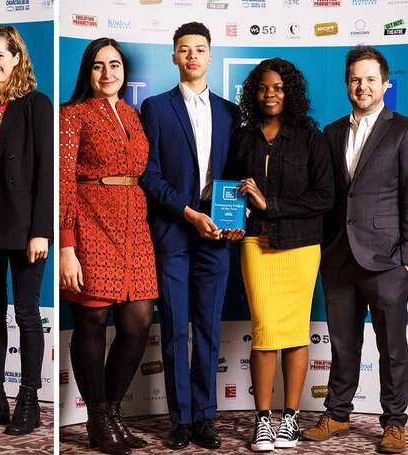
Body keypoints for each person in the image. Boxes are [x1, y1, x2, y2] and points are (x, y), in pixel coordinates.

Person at [301, 45, 408, 454]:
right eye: (354, 79)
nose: (361, 86)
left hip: (388, 260)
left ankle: (395, 423)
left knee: (393, 348)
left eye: (369, 79)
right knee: (343, 343)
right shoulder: (330, 133)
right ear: (347, 84)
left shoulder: (402, 130)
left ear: (385, 83)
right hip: (339, 258)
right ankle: (338, 414)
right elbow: (326, 197)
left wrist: (406, 257)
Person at [140, 22, 240, 450]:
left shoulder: (231, 112)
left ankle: (205, 417)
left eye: (200, 49)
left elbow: (236, 177)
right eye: (185, 49)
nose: (193, 56)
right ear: (175, 56)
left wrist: (234, 219)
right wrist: (186, 212)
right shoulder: (156, 108)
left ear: (210, 56)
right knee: (176, 329)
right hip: (174, 234)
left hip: (216, 237)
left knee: (208, 330)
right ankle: (179, 419)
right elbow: (149, 173)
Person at [225, 58, 334, 451]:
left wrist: (269, 203)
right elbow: (232, 192)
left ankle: (290, 418)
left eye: (278, 88)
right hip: (256, 243)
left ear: (291, 92)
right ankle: (263, 421)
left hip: (302, 247)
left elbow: (324, 197)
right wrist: (233, 216)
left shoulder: (311, 138)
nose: (270, 94)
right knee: (267, 331)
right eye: (263, 88)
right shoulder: (245, 137)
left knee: (294, 332)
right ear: (254, 93)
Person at [60, 37, 158, 455]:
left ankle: (113, 410)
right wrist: (67, 246)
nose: (107, 73)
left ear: (123, 71)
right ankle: (98, 417)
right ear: (88, 71)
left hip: (135, 225)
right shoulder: (72, 114)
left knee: (137, 322)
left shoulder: (134, 116)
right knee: (93, 321)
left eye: (114, 65)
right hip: (90, 220)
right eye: (98, 66)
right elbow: (64, 183)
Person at [0, 25, 52, 435]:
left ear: (17, 58)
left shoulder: (36, 104)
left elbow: (46, 171)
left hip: (24, 228)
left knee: (28, 314)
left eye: (1, 55)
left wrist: (41, 230)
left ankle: (29, 398)